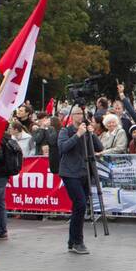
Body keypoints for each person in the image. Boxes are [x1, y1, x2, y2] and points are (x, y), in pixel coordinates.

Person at [57, 106, 103, 254]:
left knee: (79, 207)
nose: (80, 116)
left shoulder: (87, 131)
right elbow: (63, 148)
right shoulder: (66, 131)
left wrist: (92, 134)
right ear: (72, 116)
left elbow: (99, 147)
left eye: (82, 114)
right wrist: (78, 135)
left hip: (85, 172)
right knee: (80, 204)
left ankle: (72, 240)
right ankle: (78, 241)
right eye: (77, 114)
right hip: (70, 172)